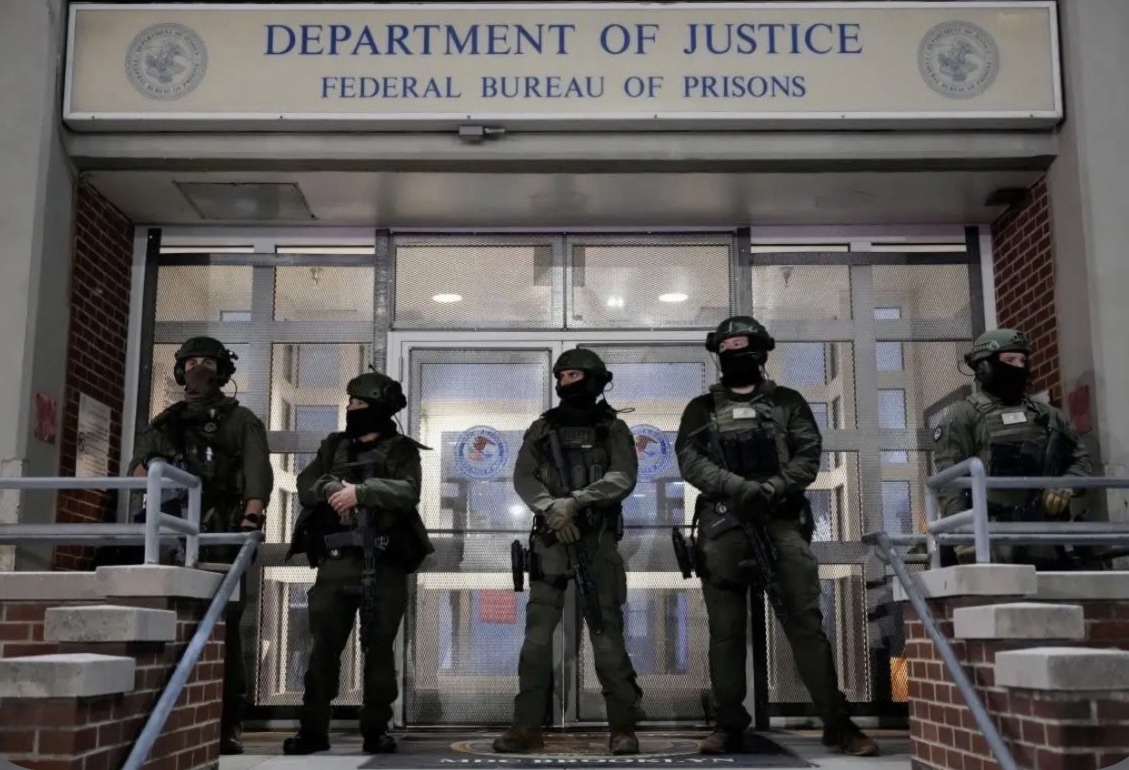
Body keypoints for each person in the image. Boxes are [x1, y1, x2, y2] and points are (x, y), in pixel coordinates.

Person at [675, 316, 878, 757]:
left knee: (804, 623)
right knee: (725, 633)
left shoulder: (788, 402)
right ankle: (729, 725)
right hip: (724, 526)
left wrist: (771, 488)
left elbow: (808, 454)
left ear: (761, 350)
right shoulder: (701, 409)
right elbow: (690, 461)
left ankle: (837, 722)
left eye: (741, 345)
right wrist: (737, 486)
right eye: (726, 347)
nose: (734, 352)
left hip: (779, 520)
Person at [493, 348, 643, 755]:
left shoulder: (613, 428)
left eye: (574, 375)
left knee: (607, 636)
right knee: (537, 640)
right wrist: (552, 510)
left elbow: (623, 476)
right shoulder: (542, 429)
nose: (565, 382)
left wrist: (575, 502)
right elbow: (523, 477)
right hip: (551, 544)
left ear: (593, 380)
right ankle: (526, 726)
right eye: (561, 376)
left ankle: (623, 728)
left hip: (596, 542)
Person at [128, 337, 272, 755]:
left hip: (221, 533)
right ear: (179, 370)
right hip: (172, 532)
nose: (198, 370)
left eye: (207, 363)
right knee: (171, 622)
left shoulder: (240, 420)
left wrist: (250, 519)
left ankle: (227, 723)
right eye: (191, 363)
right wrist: (156, 469)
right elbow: (136, 471)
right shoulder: (166, 423)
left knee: (223, 628)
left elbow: (257, 476)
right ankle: (171, 721)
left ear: (222, 371)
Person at [282, 370, 434, 755]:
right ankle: (313, 730)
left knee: (379, 650)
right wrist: (333, 487)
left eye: (360, 403)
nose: (351, 408)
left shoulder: (402, 450)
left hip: (383, 563)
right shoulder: (334, 446)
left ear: (380, 408)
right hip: (336, 564)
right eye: (350, 402)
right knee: (323, 649)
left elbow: (408, 491)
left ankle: (376, 730)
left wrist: (361, 493)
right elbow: (306, 485)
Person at [933, 329, 1093, 567]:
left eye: (1023, 361)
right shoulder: (963, 417)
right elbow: (950, 483)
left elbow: (1081, 461)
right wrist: (963, 535)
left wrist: (1065, 486)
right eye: (1010, 360)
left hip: (1046, 538)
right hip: (989, 537)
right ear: (984, 368)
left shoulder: (1048, 415)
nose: (1019, 367)